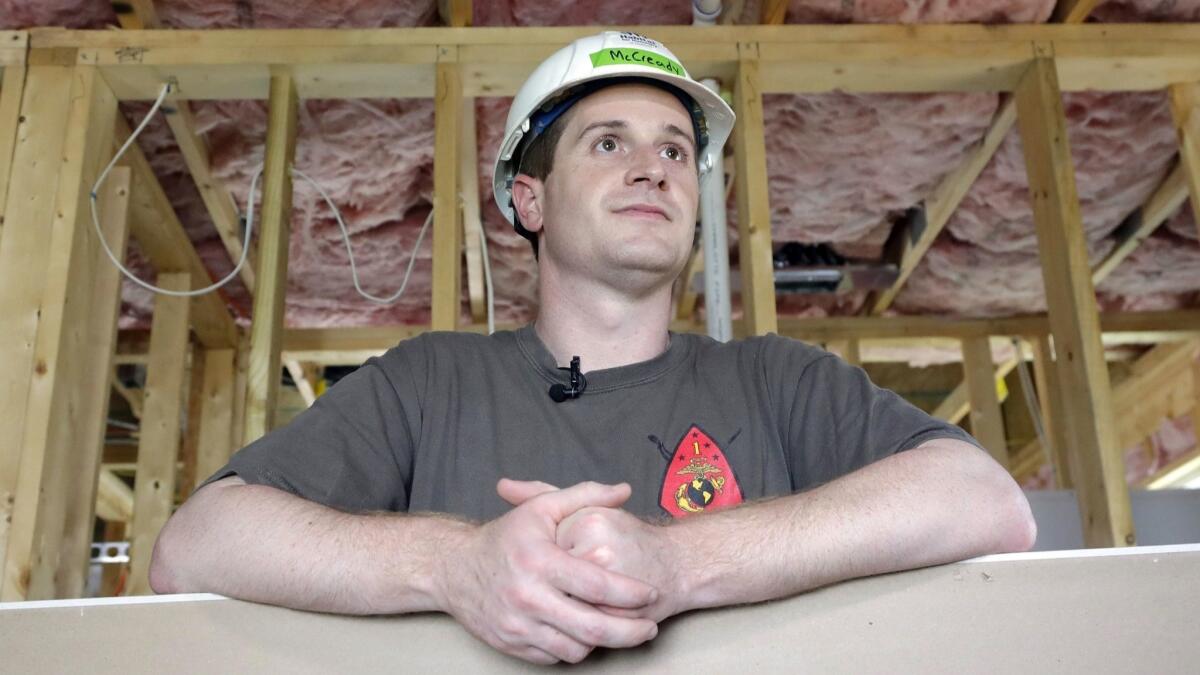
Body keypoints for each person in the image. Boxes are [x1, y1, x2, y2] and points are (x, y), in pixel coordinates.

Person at [150, 31, 1036, 665]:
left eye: (677, 151)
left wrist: (679, 563)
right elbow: (196, 545)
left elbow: (984, 501)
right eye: (609, 143)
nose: (655, 168)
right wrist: (455, 565)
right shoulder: (429, 382)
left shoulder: (776, 379)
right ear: (529, 203)